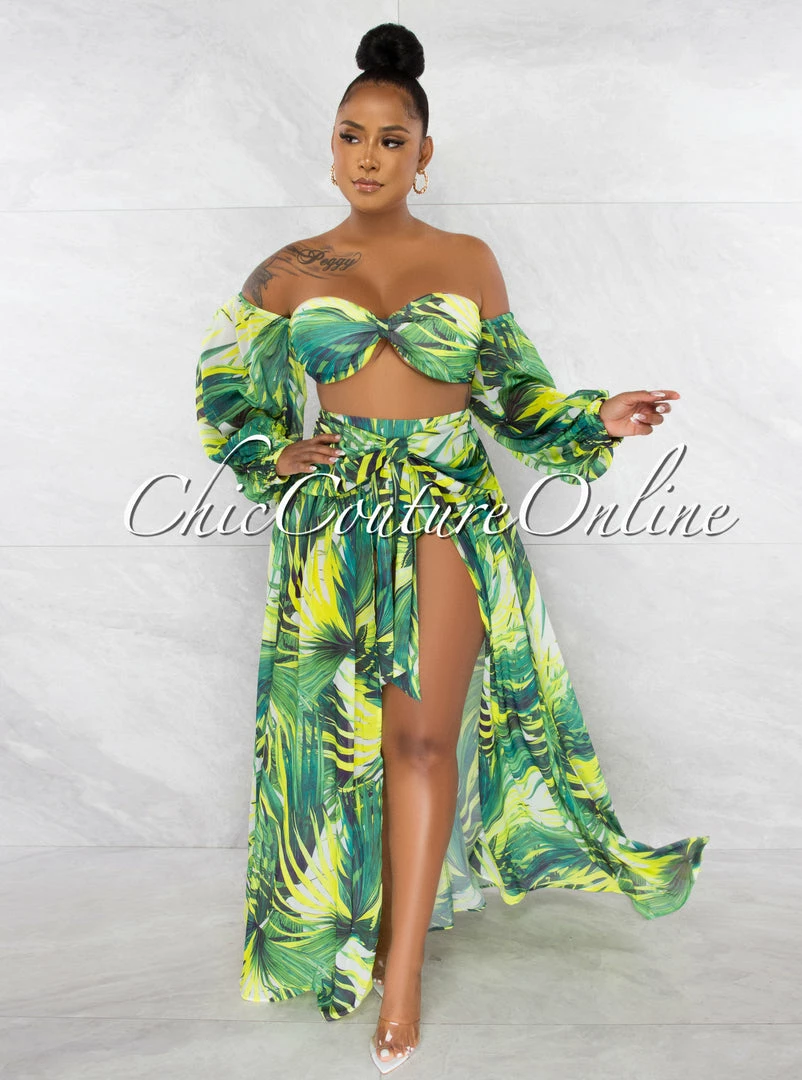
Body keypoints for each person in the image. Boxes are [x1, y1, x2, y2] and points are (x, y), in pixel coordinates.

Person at [195, 21, 709, 1074]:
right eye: (351, 136)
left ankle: (405, 978)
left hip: (448, 505)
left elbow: (513, 396)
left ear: (424, 155)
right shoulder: (290, 270)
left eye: (392, 139)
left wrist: (595, 417)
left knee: (423, 742)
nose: (369, 156)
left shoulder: (468, 261)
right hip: (339, 519)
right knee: (341, 741)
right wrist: (271, 450)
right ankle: (349, 927)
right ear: (330, 147)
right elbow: (224, 391)